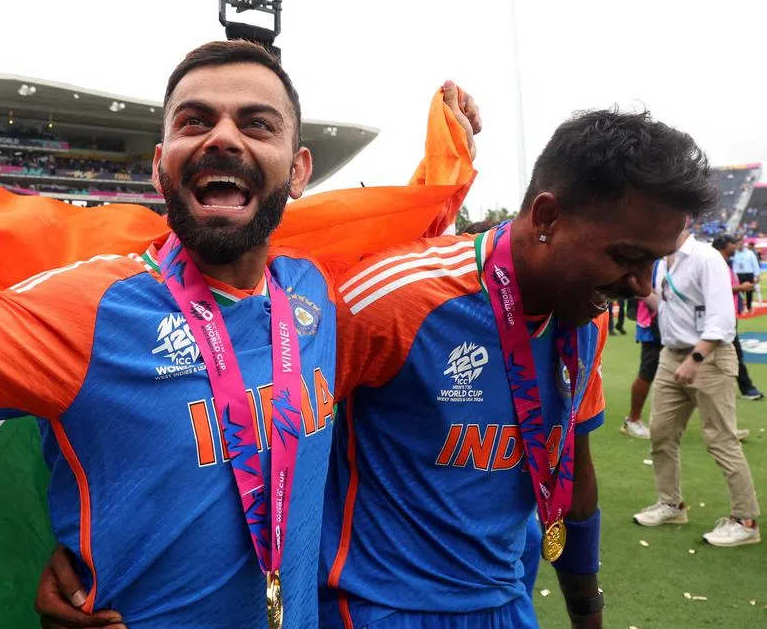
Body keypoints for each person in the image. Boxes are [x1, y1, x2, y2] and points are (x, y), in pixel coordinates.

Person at [0, 0, 479, 628]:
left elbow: (410, 255)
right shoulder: (85, 309)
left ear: (299, 169)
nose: (224, 137)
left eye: (257, 124)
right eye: (195, 121)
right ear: (160, 164)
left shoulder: (315, 300)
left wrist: (447, 172)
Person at [39, 108, 716, 628]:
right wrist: (104, 554)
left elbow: (572, 466)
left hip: (507, 603)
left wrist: (587, 612)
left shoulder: (584, 318)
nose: (642, 286)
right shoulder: (392, 304)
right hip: (374, 609)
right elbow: (239, 411)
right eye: (628, 257)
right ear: (545, 218)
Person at [633, 227, 761, 547]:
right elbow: (666, 306)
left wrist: (696, 359)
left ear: (683, 218)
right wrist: (637, 288)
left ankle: (745, 520)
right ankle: (671, 504)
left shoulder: (706, 259)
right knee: (661, 433)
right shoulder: (664, 262)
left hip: (709, 357)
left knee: (721, 439)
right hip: (671, 355)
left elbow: (722, 319)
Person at [712, 235, 762, 400]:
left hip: (726, 314)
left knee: (729, 353)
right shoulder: (715, 264)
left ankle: (744, 387)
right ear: (724, 245)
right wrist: (742, 287)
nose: (736, 245)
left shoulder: (722, 263)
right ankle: (746, 387)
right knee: (734, 353)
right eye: (733, 243)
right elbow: (718, 289)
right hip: (720, 316)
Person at [621, 265, 661, 438]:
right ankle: (633, 420)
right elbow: (637, 286)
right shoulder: (655, 261)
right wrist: (661, 304)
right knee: (647, 372)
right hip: (652, 326)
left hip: (672, 326)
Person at [732, 239, 759, 313]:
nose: (739, 245)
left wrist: (757, 275)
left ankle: (749, 307)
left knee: (749, 292)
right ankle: (740, 308)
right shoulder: (734, 253)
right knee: (738, 292)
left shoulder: (749, 253)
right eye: (738, 244)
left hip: (748, 274)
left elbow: (755, 264)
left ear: (743, 244)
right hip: (737, 275)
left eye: (741, 244)